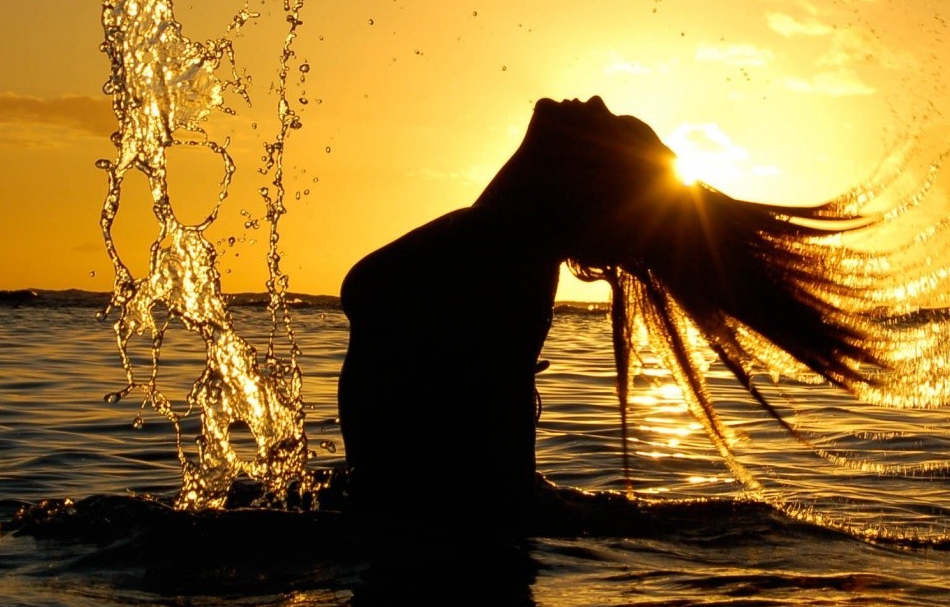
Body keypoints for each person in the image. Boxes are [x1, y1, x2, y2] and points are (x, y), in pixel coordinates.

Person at [338, 96, 887, 540]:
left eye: (616, 126)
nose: (598, 101)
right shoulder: (501, 241)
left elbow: (489, 492)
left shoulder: (503, 254)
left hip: (440, 602)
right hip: (431, 588)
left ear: (593, 184)